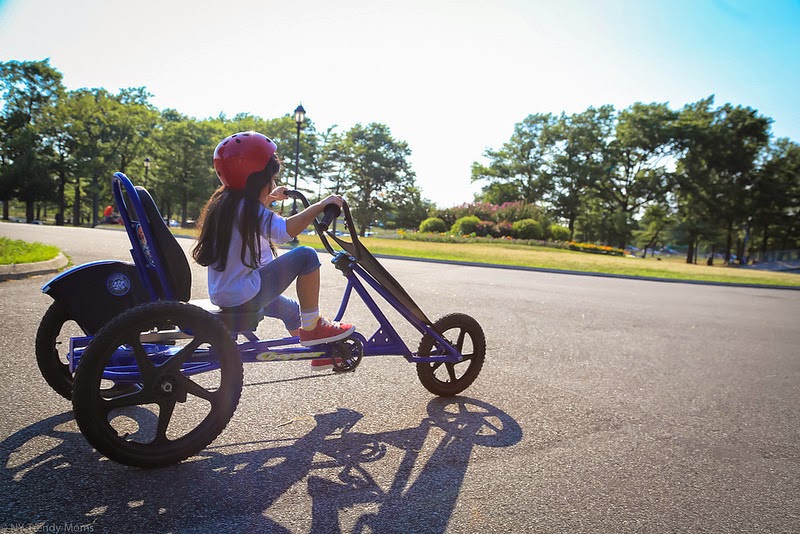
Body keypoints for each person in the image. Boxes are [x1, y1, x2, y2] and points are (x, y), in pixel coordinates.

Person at [192, 131, 354, 367]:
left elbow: (249, 217)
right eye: (271, 179)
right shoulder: (249, 210)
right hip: (244, 295)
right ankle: (313, 329)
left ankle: (319, 353)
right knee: (307, 256)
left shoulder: (225, 203)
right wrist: (320, 206)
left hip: (228, 293)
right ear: (257, 180)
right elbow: (284, 231)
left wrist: (267, 198)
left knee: (292, 311)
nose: (274, 183)